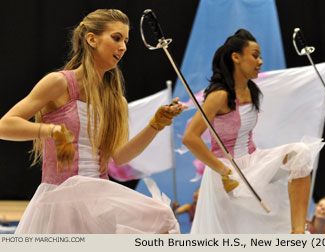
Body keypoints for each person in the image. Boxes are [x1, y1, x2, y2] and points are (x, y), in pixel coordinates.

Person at [0, 9, 186, 234]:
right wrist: (52, 131)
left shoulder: (115, 99)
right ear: (92, 39)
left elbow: (120, 156)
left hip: (98, 198)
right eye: (116, 38)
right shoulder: (59, 83)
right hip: (61, 197)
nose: (124, 47)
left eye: (126, 41)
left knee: (162, 220)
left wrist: (155, 124)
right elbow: (5, 125)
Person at [182, 29, 324, 234]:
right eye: (255, 55)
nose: (261, 61)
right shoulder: (219, 95)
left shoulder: (251, 90)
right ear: (236, 57)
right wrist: (223, 171)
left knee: (300, 153)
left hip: (253, 160)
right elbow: (190, 138)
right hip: (226, 170)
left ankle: (298, 234)